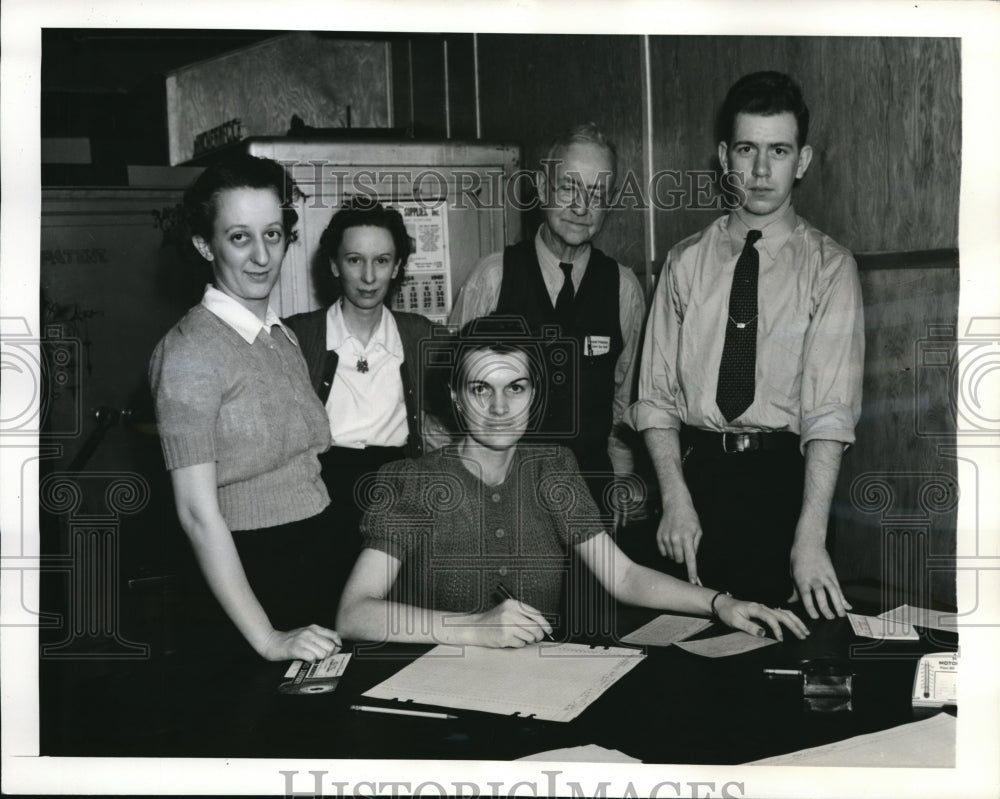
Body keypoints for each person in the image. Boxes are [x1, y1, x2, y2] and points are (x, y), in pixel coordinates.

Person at [335, 319, 810, 647]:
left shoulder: (552, 469)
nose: (500, 409)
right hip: (430, 692)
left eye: (515, 388)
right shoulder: (413, 481)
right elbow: (354, 614)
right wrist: (472, 628)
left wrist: (720, 603)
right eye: (482, 389)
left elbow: (623, 576)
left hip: (535, 688)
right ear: (457, 398)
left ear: (533, 394)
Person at [625, 71, 865, 618]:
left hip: (784, 491)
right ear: (724, 158)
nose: (760, 171)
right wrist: (675, 498)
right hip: (694, 484)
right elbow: (656, 398)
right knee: (680, 665)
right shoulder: (684, 262)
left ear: (801, 161)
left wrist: (809, 536)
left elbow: (829, 414)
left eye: (778, 151)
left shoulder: (829, 268)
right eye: (747, 150)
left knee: (775, 662)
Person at [149, 154, 341, 663]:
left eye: (273, 235)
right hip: (248, 585)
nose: (261, 256)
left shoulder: (281, 337)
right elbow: (196, 513)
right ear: (203, 244)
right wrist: (268, 637)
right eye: (239, 237)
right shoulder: (190, 352)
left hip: (315, 559)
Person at [448, 123, 645, 522]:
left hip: (590, 500)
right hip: (499, 499)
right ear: (541, 187)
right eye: (569, 187)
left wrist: (621, 477)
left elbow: (625, 402)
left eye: (597, 194)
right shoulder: (492, 277)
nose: (581, 206)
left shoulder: (623, 289)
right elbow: (448, 393)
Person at [284, 199, 447, 564]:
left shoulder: (422, 337)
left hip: (399, 494)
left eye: (382, 261)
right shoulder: (296, 336)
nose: (369, 277)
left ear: (398, 265)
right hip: (319, 496)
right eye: (355, 260)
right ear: (333, 264)